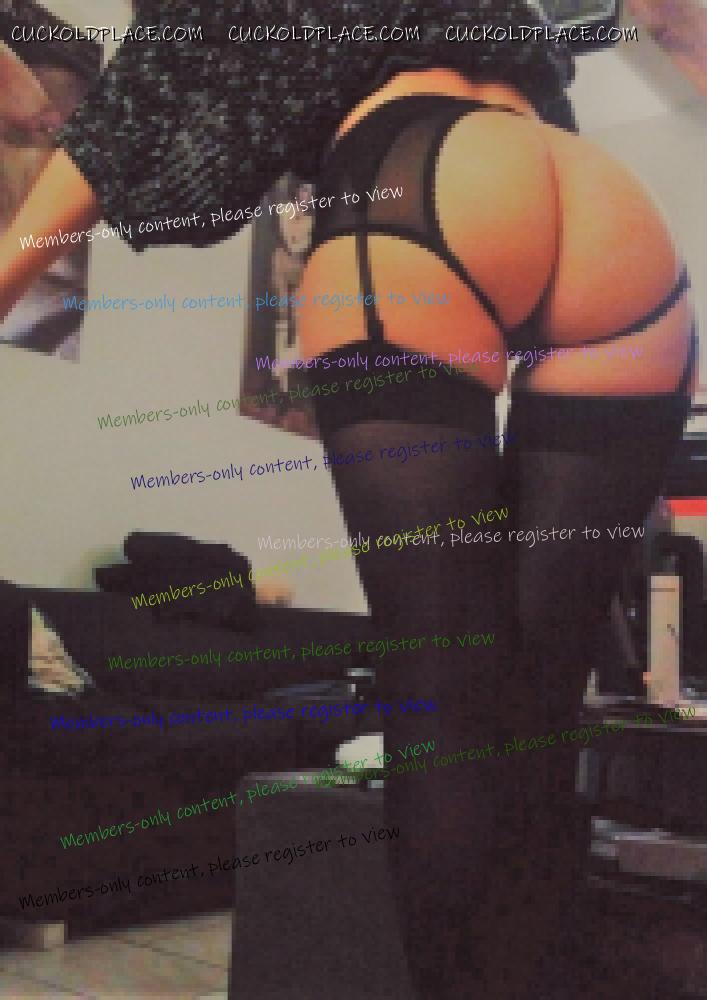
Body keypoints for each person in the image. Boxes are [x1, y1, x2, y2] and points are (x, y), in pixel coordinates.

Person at [0, 3, 695, 997]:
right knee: (540, 707)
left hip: (422, 178)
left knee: (442, 701)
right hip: (605, 211)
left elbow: (129, 122)